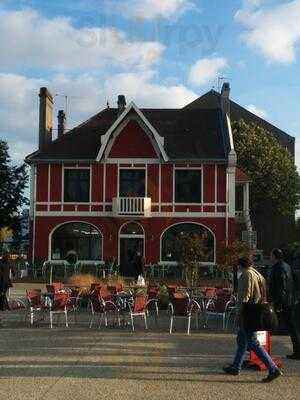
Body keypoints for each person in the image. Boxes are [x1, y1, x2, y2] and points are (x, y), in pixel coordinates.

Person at [223, 256, 282, 383]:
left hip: (249, 312)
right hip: (256, 310)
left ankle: (273, 368)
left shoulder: (246, 275)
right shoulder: (257, 273)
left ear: (240, 265)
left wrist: (239, 314)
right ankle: (236, 366)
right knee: (241, 340)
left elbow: (245, 296)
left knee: (252, 342)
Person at [269, 248, 300, 360]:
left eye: (271, 255)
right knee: (292, 327)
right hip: (290, 301)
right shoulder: (287, 266)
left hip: (284, 302)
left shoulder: (279, 268)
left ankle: (259, 349)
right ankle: (297, 351)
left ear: (275, 257)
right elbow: (295, 281)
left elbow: (281, 287)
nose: (270, 258)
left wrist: (279, 303)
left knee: (274, 324)